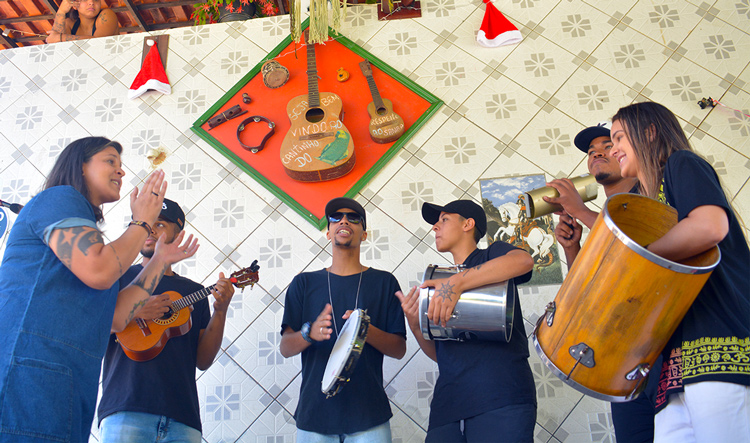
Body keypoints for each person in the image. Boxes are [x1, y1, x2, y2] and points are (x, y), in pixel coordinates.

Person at [0, 137, 197, 442]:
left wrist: (159, 260)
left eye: (120, 165)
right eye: (110, 161)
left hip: (66, 387)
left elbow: (118, 317)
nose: (120, 172)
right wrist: (142, 222)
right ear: (79, 166)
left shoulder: (94, 244)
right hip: (26, 377)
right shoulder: (58, 198)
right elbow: (99, 270)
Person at [609, 101, 750, 443]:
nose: (613, 150)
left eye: (618, 138)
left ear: (650, 133)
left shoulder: (680, 163)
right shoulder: (646, 198)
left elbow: (709, 226)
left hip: (717, 345)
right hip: (673, 369)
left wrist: (639, 260)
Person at [547, 123, 656, 443]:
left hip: (666, 347)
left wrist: (580, 211)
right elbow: (586, 294)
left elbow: (644, 255)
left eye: (607, 145)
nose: (596, 152)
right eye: (591, 150)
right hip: (625, 364)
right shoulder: (602, 218)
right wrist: (572, 249)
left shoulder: (650, 197)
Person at [396, 199, 536, 442]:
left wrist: (457, 282)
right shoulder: (441, 282)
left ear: (468, 224)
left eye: (444, 219)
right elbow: (441, 355)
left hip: (502, 397)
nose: (435, 228)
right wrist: (416, 325)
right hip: (448, 407)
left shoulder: (493, 255)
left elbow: (524, 262)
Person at [97, 198, 235, 443]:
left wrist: (221, 311)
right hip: (126, 409)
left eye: (160, 224)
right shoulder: (116, 276)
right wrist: (135, 309)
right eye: (147, 223)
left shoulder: (194, 292)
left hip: (183, 419)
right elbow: (92, 328)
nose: (150, 230)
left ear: (178, 234)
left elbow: (203, 360)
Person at [280, 197, 406, 442]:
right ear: (328, 232)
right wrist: (309, 333)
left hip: (369, 413)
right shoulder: (303, 283)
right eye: (336, 217)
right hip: (314, 414)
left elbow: (399, 349)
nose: (344, 220)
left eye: (354, 217)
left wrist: (364, 330)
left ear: (364, 234)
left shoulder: (385, 282)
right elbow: (285, 348)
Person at [46, 0, 119, 44]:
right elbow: (55, 44)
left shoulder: (107, 15)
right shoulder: (70, 24)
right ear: (74, 5)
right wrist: (61, 12)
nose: (91, 2)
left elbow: (98, 42)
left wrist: (61, 38)